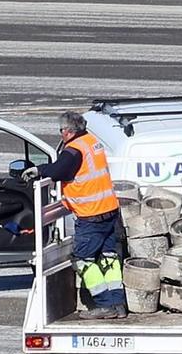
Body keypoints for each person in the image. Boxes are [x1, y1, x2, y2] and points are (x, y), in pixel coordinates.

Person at [25, 111, 125, 318]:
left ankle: (105, 305)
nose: (61, 134)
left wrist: (39, 170)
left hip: (91, 215)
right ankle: (118, 304)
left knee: (83, 260)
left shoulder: (74, 150)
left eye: (61, 130)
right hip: (109, 211)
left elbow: (58, 171)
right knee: (109, 258)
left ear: (69, 132)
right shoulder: (92, 142)